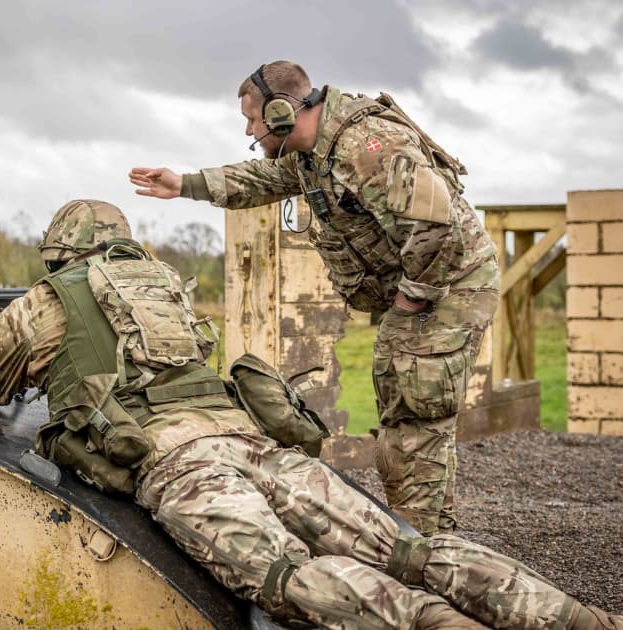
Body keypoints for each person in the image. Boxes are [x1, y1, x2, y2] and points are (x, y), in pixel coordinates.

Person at [0, 198, 623, 629]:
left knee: (286, 577)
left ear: (61, 253)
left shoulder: (47, 300)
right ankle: (581, 620)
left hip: (179, 464)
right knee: (407, 550)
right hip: (255, 444)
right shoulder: (169, 289)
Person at [128, 60, 498, 537]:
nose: (248, 129)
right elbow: (261, 180)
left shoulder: (369, 147)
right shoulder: (310, 152)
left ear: (281, 113)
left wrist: (411, 300)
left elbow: (435, 227)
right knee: (410, 411)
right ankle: (428, 537)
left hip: (448, 285)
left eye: (252, 119)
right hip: (425, 287)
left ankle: (424, 547)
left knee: (415, 410)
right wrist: (184, 185)